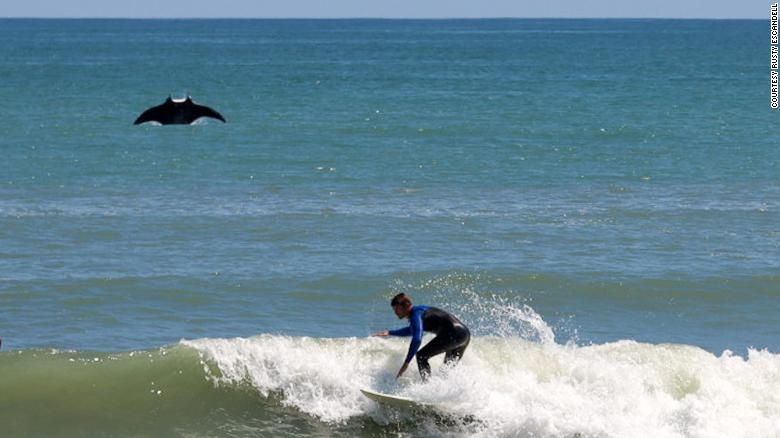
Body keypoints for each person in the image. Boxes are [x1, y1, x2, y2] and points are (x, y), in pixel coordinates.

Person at [373, 293, 470, 381]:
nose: (395, 312)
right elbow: (413, 330)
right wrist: (390, 333)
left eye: (396, 309)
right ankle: (445, 395)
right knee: (445, 370)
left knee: (421, 356)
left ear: (406, 305)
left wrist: (406, 363)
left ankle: (428, 387)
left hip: (453, 334)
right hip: (464, 335)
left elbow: (417, 338)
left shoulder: (415, 314)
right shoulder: (420, 310)